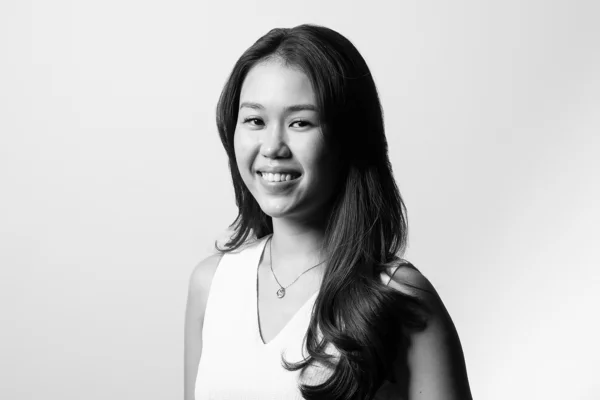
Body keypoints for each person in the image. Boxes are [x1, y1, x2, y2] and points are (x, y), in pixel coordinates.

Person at [184, 24, 472, 400]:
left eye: (300, 122)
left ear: (348, 137)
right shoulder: (211, 284)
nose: (272, 147)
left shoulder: (399, 297)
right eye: (255, 120)